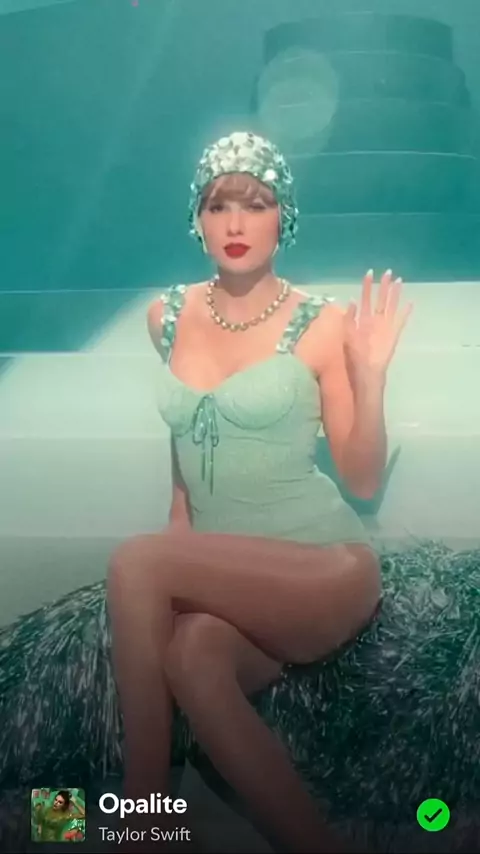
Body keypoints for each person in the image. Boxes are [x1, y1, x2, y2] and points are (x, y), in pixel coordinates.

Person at [106, 131, 412, 853]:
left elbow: (363, 479)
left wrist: (370, 379)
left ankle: (141, 822)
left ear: (285, 218)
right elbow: (182, 475)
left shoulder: (322, 323)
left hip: (323, 568)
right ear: (198, 219)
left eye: (256, 203)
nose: (236, 223)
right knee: (191, 659)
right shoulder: (166, 317)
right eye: (218, 206)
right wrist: (176, 577)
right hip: (232, 583)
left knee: (135, 562)